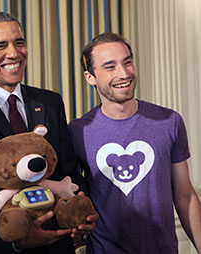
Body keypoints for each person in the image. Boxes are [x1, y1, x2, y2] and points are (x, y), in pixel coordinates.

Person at [0, 11, 98, 254]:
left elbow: (69, 174)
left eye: (19, 42)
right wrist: (15, 240)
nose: (14, 53)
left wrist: (78, 212)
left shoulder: (50, 102)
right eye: (0, 45)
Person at [68, 32, 201, 253]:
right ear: (90, 77)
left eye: (127, 62)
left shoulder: (169, 121)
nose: (124, 73)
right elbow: (73, 195)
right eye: (110, 66)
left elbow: (185, 195)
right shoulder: (78, 131)